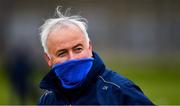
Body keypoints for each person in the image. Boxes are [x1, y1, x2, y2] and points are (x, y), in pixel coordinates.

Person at [38, 7, 153, 105]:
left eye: (78, 49)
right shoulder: (47, 100)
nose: (72, 58)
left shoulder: (120, 91)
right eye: (62, 53)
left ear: (89, 47)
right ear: (49, 59)